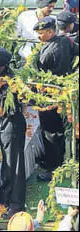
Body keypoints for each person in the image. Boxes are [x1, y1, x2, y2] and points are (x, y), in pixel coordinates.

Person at [34, 17, 79, 181]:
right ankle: (54, 161)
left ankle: (54, 168)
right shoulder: (65, 41)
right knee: (57, 131)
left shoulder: (49, 53)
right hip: (61, 92)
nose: (38, 37)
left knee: (51, 133)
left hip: (49, 95)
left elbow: (40, 72)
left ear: (50, 32)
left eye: (41, 34)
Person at [0, 46, 27, 218]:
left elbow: (0, 111)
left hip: (11, 125)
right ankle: (5, 195)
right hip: (3, 124)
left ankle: (16, 205)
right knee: (7, 163)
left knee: (14, 165)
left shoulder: (9, 83)